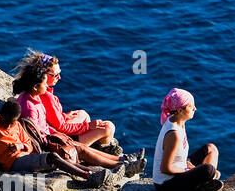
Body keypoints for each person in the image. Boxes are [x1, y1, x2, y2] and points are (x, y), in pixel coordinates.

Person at [12, 52, 145, 177]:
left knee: (81, 142)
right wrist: (83, 129)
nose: (48, 86)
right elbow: (38, 135)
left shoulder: (34, 99)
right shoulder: (31, 106)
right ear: (36, 86)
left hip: (54, 137)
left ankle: (124, 159)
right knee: (82, 149)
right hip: (50, 145)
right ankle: (122, 166)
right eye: (46, 81)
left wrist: (63, 124)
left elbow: (45, 125)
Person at [0, 99, 110, 186]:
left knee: (59, 158)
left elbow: (28, 144)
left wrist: (20, 146)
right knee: (53, 157)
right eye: (7, 122)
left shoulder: (17, 126)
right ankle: (87, 176)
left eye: (12, 123)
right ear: (1, 115)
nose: (9, 126)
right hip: (12, 163)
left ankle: (93, 173)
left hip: (25, 157)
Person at [152, 88, 223, 191]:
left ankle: (206, 181)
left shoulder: (176, 119)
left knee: (211, 149)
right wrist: (187, 169)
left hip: (179, 166)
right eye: (191, 106)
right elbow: (165, 168)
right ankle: (201, 185)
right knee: (209, 170)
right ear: (180, 110)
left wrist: (186, 165)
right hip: (166, 185)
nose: (195, 108)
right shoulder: (173, 134)